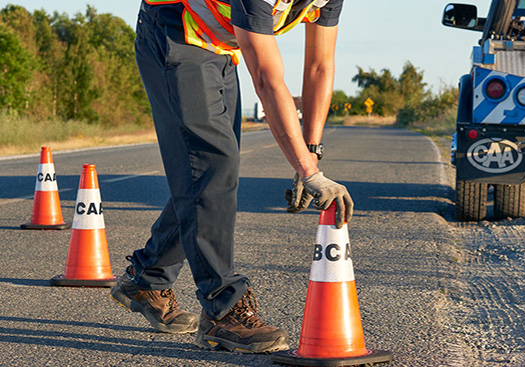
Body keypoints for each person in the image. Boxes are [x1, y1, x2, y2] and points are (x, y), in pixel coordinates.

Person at [110, 0, 352, 354]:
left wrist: (311, 151)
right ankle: (222, 311)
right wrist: (307, 170)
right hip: (174, 32)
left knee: (208, 175)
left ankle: (146, 278)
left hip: (221, 47)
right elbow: (268, 81)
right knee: (211, 167)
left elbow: (319, 66)